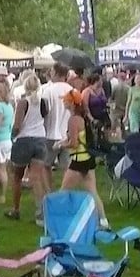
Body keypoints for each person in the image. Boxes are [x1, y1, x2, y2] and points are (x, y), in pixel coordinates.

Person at [8, 72, 52, 222]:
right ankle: (41, 211)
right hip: (40, 139)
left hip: (24, 140)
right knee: (36, 178)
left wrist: (12, 136)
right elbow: (45, 120)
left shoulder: (23, 103)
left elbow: (17, 125)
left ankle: (16, 209)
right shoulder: (43, 102)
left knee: (17, 177)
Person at [60, 89, 105, 225]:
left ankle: (60, 219)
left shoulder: (73, 120)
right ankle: (103, 221)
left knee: (63, 192)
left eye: (65, 101)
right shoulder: (84, 118)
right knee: (93, 193)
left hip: (78, 160)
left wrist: (60, 146)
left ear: (72, 104)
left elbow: (73, 143)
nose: (63, 103)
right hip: (88, 158)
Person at [40, 63, 74, 175]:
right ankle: (66, 189)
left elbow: (44, 111)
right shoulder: (72, 91)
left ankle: (49, 190)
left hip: (51, 133)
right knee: (67, 167)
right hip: (67, 133)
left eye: (52, 72)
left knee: (46, 165)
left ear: (55, 73)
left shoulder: (48, 91)